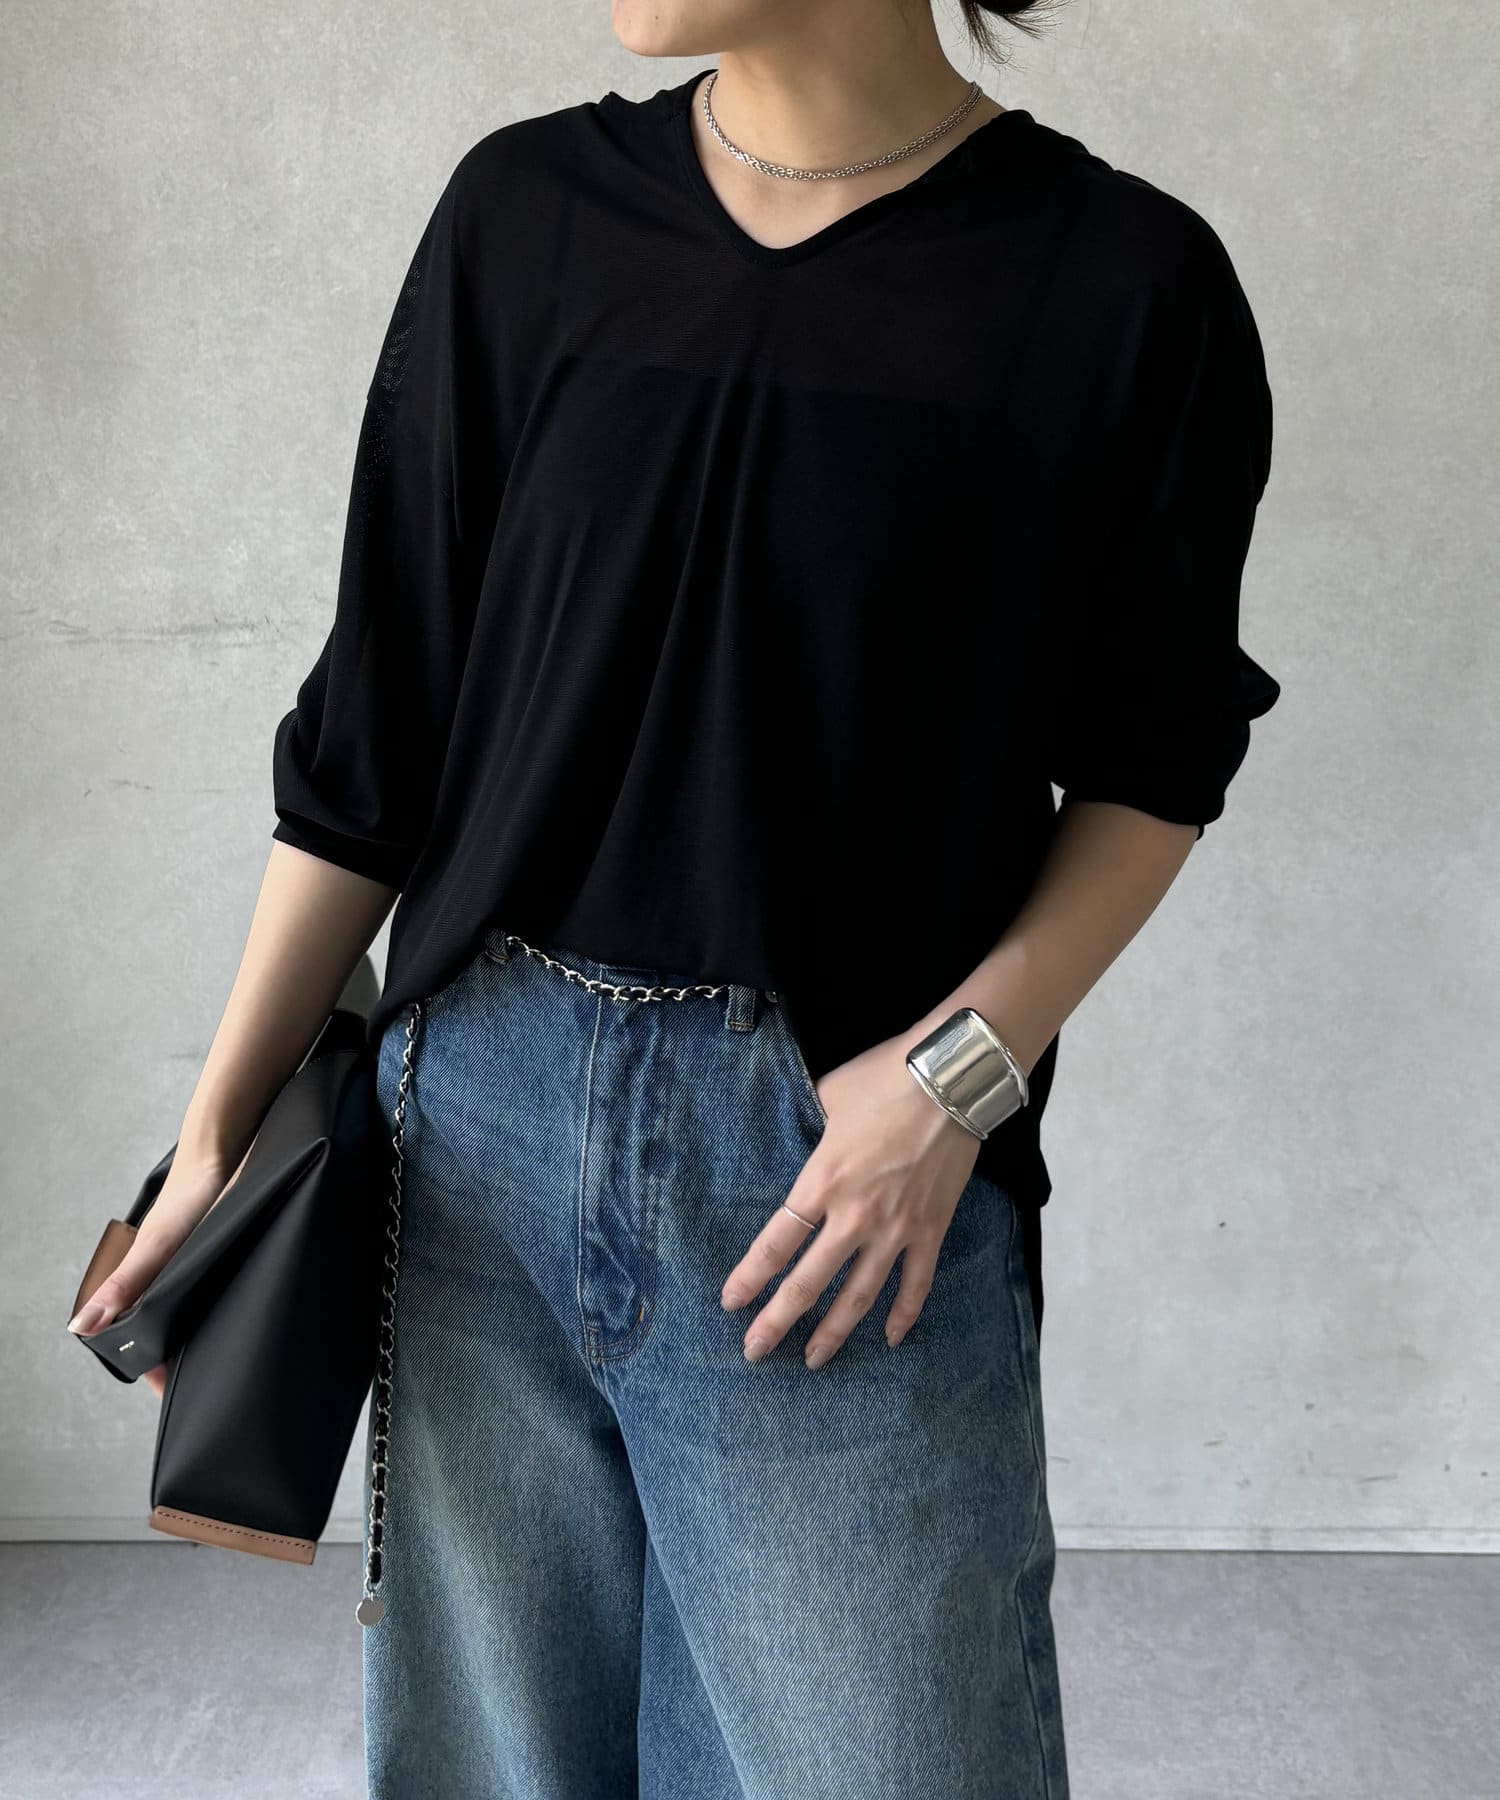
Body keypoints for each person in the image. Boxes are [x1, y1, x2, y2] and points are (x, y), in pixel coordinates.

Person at [68, 1, 1282, 1793]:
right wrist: (214, 1140)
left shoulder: (1120, 282)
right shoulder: (523, 215)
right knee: (500, 1760)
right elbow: (376, 732)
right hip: (471, 1134)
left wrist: (949, 1085)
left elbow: (1157, 762)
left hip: (828, 1165)